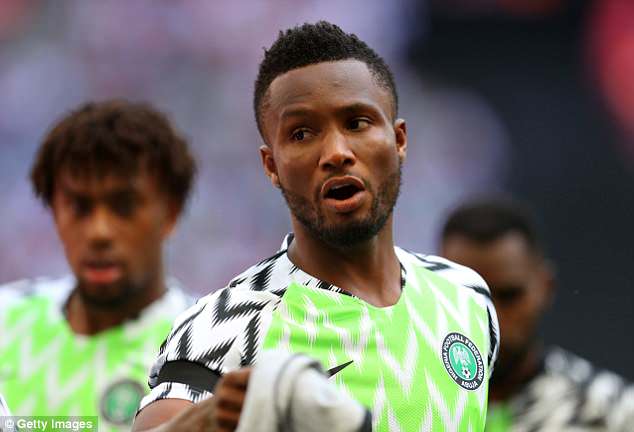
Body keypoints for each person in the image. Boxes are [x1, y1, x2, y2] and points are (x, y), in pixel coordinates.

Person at [133, 21, 499, 432]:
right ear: (271, 165)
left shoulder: (466, 296)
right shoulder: (229, 323)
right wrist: (207, 418)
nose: (336, 153)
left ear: (399, 140)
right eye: (302, 133)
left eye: (357, 123)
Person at [0, 100, 196, 431]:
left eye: (124, 206)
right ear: (53, 211)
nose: (98, 232)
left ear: (171, 212)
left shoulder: (208, 345)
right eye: (79, 206)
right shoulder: (4, 320)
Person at [440, 198, 634, 431]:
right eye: (468, 297)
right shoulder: (409, 398)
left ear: (546, 286)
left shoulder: (612, 415)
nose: (490, 318)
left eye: (508, 296)